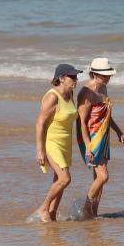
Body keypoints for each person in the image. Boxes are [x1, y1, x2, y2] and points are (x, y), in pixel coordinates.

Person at [76, 58, 124, 218]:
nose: (108, 78)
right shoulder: (86, 93)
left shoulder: (103, 88)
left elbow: (106, 115)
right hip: (90, 137)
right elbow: (82, 122)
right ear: (95, 74)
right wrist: (88, 146)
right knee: (103, 176)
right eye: (105, 75)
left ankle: (94, 212)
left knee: (98, 178)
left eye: (108, 75)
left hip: (103, 135)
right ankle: (85, 210)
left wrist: (118, 131)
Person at [33, 64, 82, 222]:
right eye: (72, 77)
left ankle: (52, 214)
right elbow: (40, 123)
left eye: (76, 76)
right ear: (61, 78)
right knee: (65, 179)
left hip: (66, 143)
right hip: (51, 142)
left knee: (58, 180)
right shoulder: (52, 96)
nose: (76, 79)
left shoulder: (70, 93)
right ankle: (44, 208)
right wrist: (40, 150)